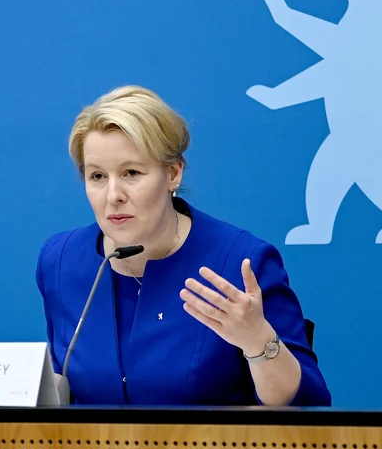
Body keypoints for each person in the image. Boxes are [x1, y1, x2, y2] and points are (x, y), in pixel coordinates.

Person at [36, 85, 330, 406]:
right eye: (97, 177)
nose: (113, 195)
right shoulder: (61, 261)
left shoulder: (241, 263)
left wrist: (258, 341)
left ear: (173, 174)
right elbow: (64, 384)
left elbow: (306, 404)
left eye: (131, 173)